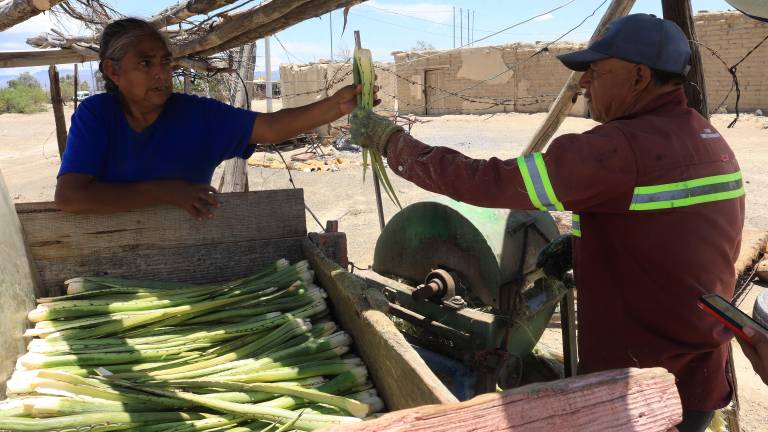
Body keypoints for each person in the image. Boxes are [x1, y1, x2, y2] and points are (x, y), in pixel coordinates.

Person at [351, 14, 745, 432]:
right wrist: (578, 246)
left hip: (643, 390)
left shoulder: (619, 148)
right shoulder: (706, 138)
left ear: (639, 76)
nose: (584, 83)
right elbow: (670, 231)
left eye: (596, 70)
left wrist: (391, 142)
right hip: (696, 372)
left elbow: (490, 181)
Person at [55, 18, 374, 219]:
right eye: (145, 63)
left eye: (165, 63)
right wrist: (168, 192)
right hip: (113, 257)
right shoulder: (97, 115)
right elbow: (70, 197)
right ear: (113, 71)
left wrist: (336, 105)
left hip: (192, 251)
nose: (161, 74)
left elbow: (271, 128)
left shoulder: (196, 115)